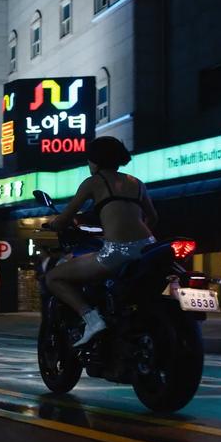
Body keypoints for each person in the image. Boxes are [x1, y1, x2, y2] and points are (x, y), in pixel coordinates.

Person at [46, 136, 158, 347]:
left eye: (89, 159)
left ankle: (92, 319)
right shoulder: (137, 183)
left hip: (116, 252)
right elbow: (153, 218)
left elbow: (66, 217)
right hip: (148, 247)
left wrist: (55, 223)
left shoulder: (93, 182)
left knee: (53, 277)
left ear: (95, 160)